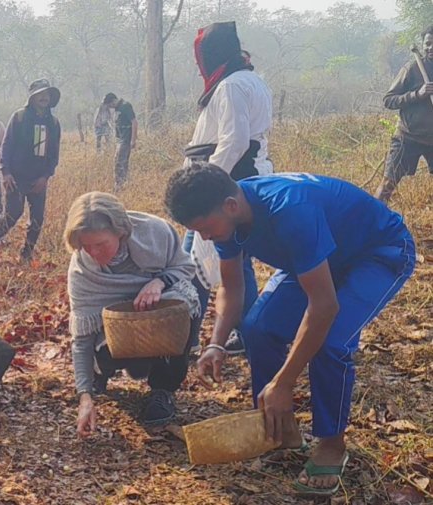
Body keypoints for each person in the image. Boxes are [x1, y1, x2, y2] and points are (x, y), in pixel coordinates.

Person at [165, 164, 416, 497]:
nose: (206, 237)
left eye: (208, 229)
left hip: (376, 254)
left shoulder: (290, 208)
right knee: (257, 327)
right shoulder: (227, 219)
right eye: (200, 232)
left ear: (230, 205)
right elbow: (232, 287)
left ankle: (331, 443)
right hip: (312, 261)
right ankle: (280, 427)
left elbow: (324, 306)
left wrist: (283, 382)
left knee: (330, 341)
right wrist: (216, 344)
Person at [65, 192, 202, 432]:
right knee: (105, 351)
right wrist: (84, 395)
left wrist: (160, 281)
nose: (94, 254)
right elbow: (81, 337)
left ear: (121, 232)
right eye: (86, 246)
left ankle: (163, 389)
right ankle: (101, 372)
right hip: (114, 337)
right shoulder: (81, 271)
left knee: (183, 307)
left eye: (101, 244)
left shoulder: (155, 232)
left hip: (158, 316)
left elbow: (185, 267)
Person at [183, 22, 273, 354]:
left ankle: (242, 334)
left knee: (198, 259)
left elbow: (234, 142)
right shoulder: (250, 80)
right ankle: (239, 334)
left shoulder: (232, 86)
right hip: (234, 180)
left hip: (224, 186)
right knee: (220, 258)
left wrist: (203, 187)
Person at [0, 79, 62, 263]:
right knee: (12, 214)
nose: (44, 97)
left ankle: (26, 253)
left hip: (39, 179)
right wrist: (6, 172)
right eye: (40, 94)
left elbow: (54, 154)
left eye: (47, 94)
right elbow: (7, 146)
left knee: (37, 219)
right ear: (32, 97)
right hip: (16, 177)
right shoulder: (19, 117)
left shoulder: (53, 122)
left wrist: (45, 177)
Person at [374, 25, 433, 203]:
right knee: (387, 186)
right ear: (422, 45)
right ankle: (368, 222)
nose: (430, 48)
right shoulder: (413, 68)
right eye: (428, 44)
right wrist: (418, 94)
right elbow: (389, 100)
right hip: (408, 138)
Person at [102, 93, 138, 191]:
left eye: (110, 104)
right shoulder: (117, 109)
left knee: (119, 162)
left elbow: (134, 122)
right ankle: (124, 184)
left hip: (126, 139)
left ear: (113, 100)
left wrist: (133, 140)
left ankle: (119, 185)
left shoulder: (125, 106)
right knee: (121, 162)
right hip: (120, 139)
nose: (110, 107)